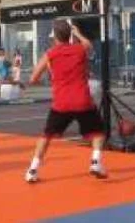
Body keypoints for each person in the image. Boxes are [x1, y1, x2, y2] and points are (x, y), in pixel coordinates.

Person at [24, 20, 107, 183]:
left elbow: (33, 78)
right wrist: (77, 33)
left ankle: (33, 170)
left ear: (55, 37)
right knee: (98, 133)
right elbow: (89, 45)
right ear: (69, 35)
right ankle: (96, 161)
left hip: (61, 103)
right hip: (82, 101)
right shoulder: (79, 50)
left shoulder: (50, 54)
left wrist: (50, 72)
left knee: (46, 136)